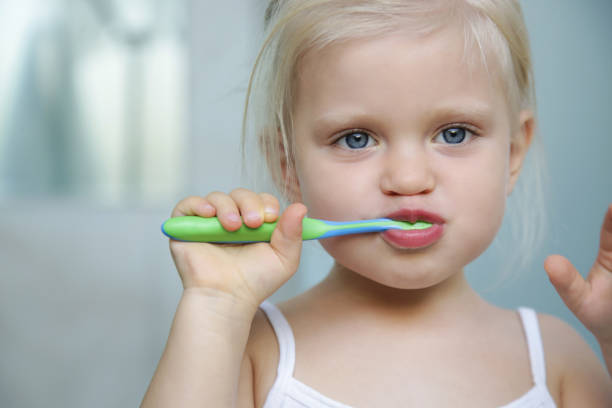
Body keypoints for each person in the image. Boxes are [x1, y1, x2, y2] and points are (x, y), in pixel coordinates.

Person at [141, 1, 612, 406]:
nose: (408, 179)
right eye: (356, 138)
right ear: (289, 168)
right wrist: (214, 306)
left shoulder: (558, 363)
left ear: (512, 154)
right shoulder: (250, 354)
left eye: (454, 133)